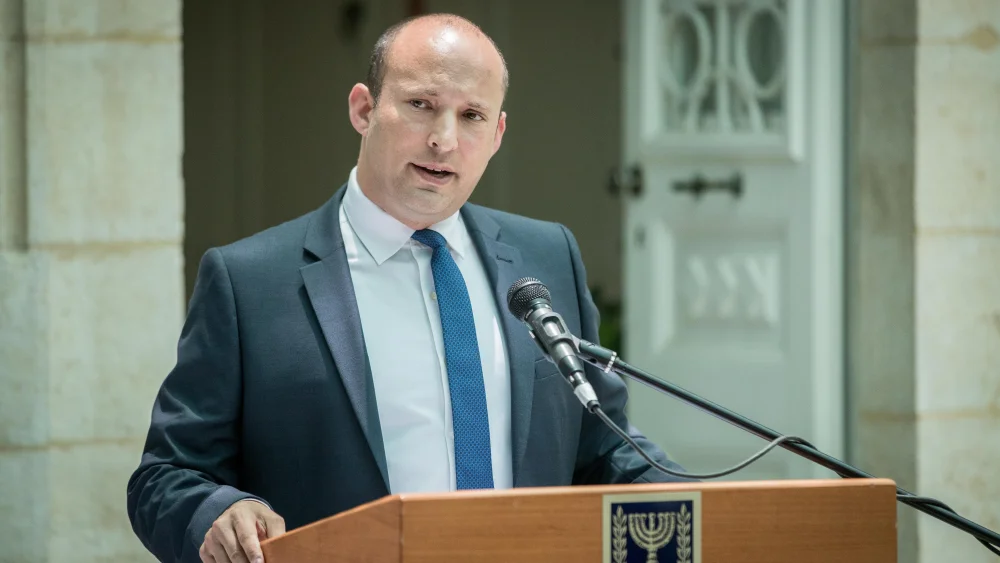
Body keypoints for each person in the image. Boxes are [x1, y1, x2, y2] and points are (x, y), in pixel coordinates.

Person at [126, 13, 688, 563]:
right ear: (364, 109)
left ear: (496, 134)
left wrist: (706, 508)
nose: (443, 139)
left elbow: (604, 449)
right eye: (421, 105)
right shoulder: (248, 281)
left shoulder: (547, 258)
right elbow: (166, 476)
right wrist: (217, 513)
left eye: (471, 115)